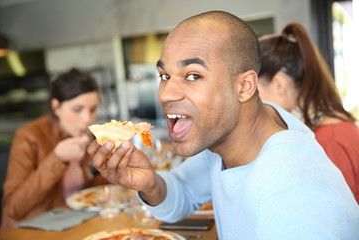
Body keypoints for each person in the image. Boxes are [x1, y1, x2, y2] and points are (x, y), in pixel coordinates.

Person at [88, 11, 359, 239]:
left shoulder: (292, 198)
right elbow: (182, 193)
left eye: (193, 75)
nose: (166, 93)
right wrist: (149, 185)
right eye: (165, 75)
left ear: (244, 86)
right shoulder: (244, 130)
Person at [257, 22, 359, 203]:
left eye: (255, 90)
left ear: (280, 85)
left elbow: (330, 216)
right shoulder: (330, 125)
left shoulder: (327, 140)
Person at [0, 68, 107, 230]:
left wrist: (111, 171)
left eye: (93, 109)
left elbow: (81, 192)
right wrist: (57, 159)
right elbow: (13, 208)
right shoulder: (28, 136)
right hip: (32, 232)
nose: (87, 119)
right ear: (56, 107)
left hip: (74, 225)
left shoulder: (84, 134)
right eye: (77, 110)